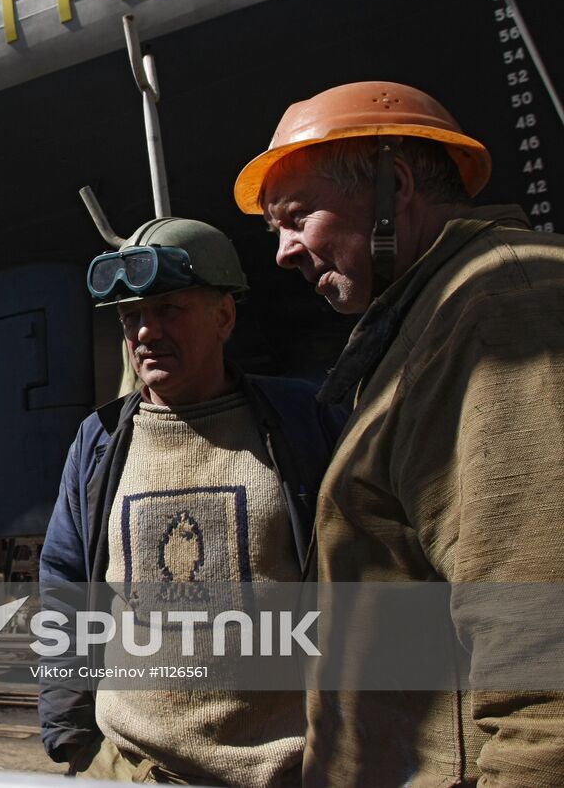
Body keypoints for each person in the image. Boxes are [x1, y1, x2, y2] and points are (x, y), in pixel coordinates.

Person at [236, 80, 564, 786]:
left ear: (397, 184)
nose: (283, 252)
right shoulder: (424, 327)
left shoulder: (504, 309)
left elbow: (547, 663)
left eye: (297, 216)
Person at [39, 217, 342, 785]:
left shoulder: (303, 422)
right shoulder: (99, 439)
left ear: (224, 316)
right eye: (132, 317)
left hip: (280, 772)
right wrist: (74, 741)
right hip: (127, 768)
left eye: (169, 309)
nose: (146, 332)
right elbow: (65, 586)